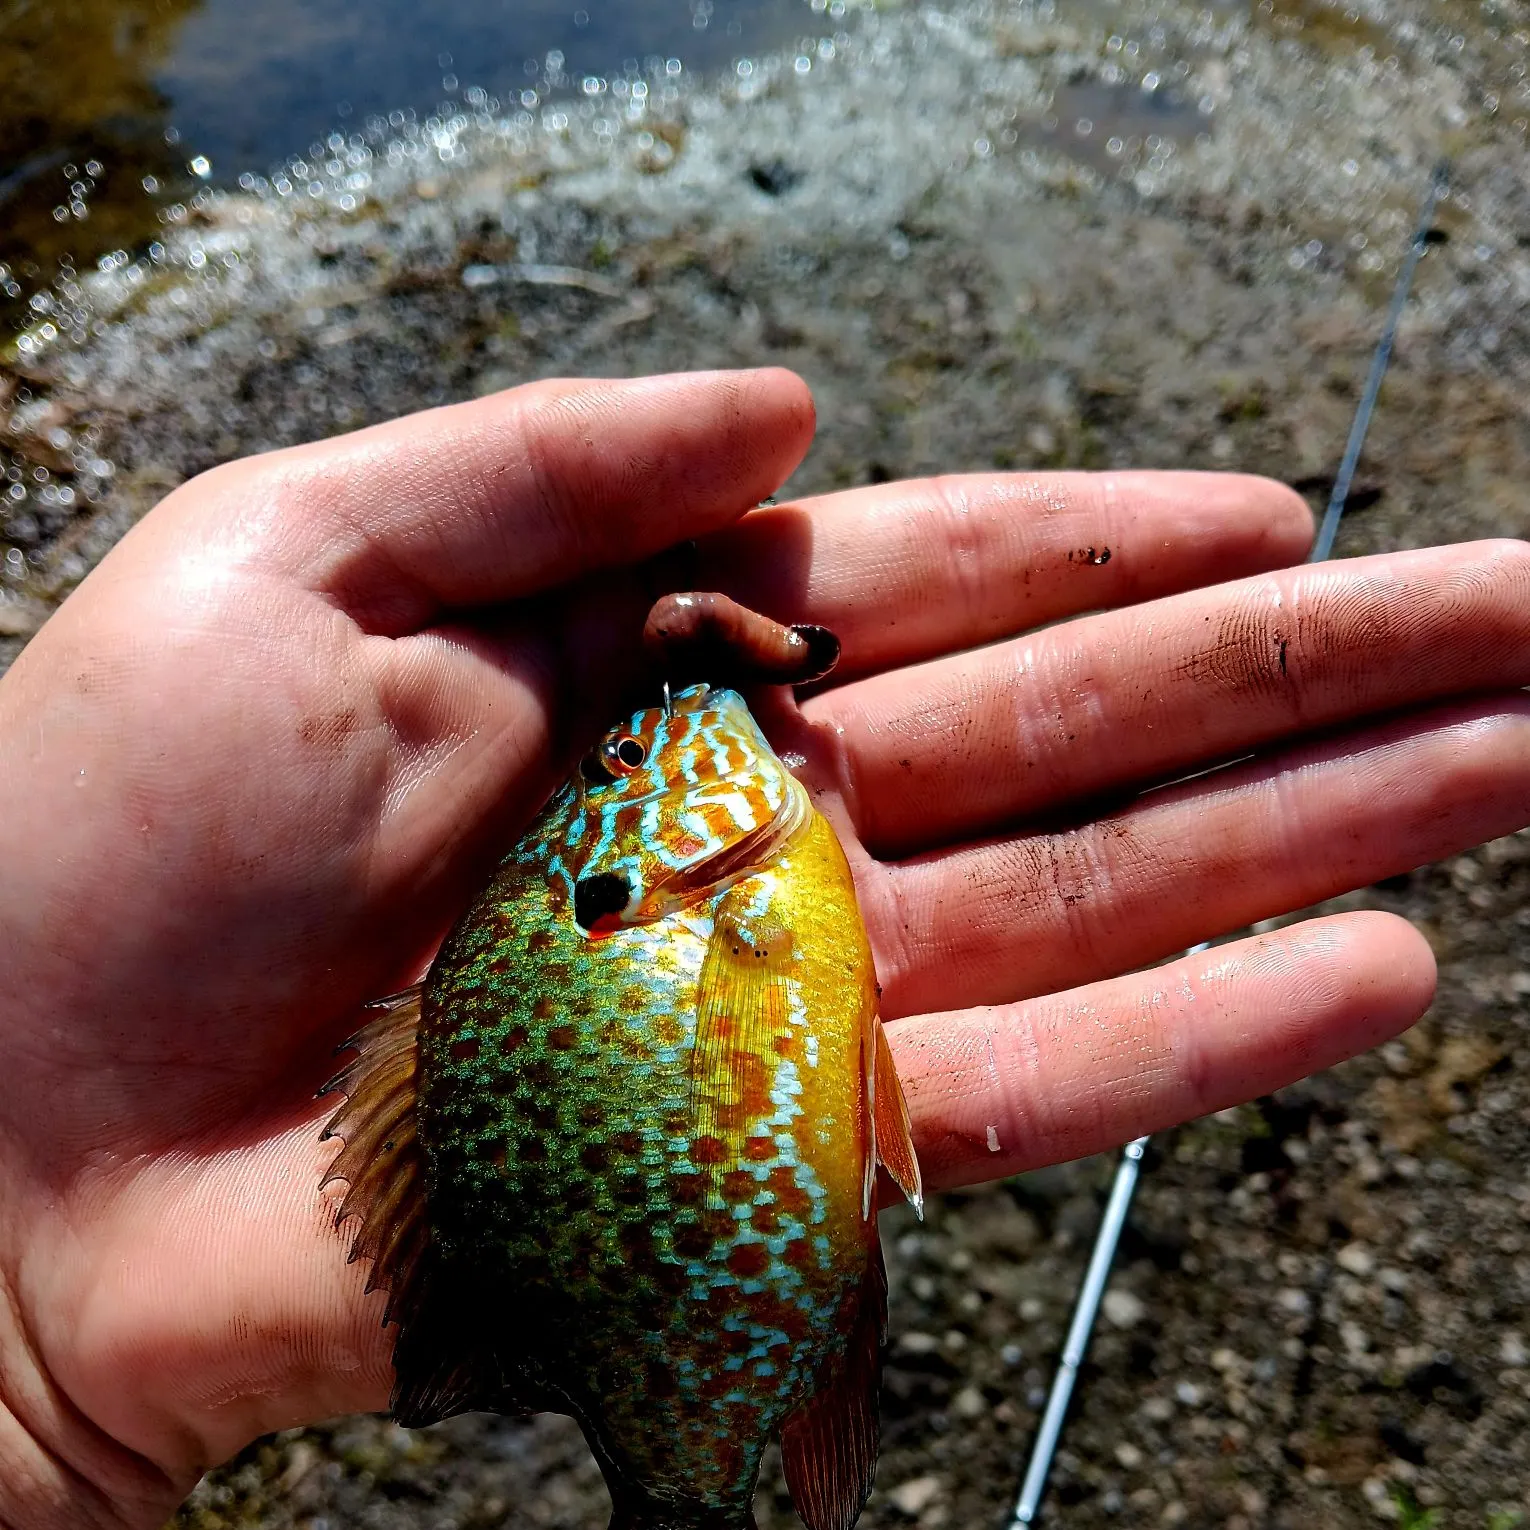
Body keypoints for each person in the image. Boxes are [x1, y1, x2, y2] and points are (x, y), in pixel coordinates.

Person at [0, 368, 1525, 1529]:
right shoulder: (668, 893)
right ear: (612, 873)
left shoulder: (671, 885)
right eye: (614, 781)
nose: (643, 753)